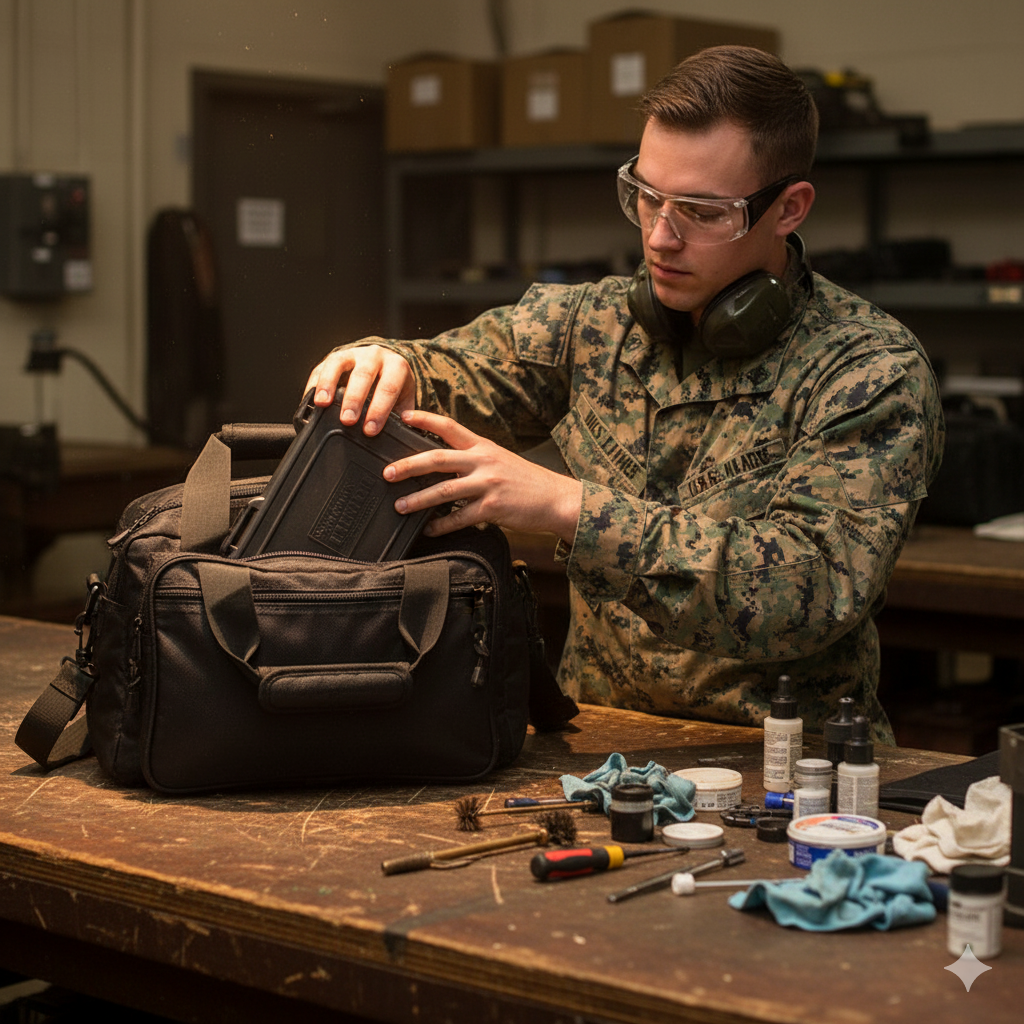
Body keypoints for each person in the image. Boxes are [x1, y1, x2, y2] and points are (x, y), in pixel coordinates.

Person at [305, 45, 944, 743]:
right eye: (646, 195)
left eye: (701, 211)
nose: (660, 238)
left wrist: (567, 505)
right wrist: (383, 360)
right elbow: (459, 371)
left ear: (789, 208)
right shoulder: (593, 322)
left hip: (791, 771)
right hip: (603, 750)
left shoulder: (867, 368)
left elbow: (807, 590)